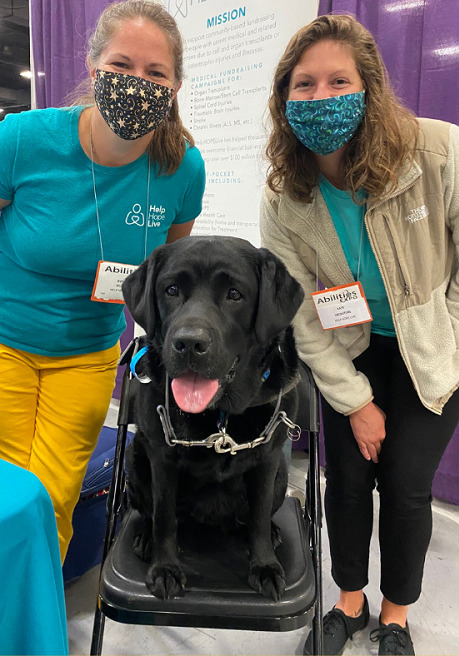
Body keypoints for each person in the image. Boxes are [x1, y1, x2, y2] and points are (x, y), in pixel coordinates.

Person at [258, 14, 459, 655]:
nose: (321, 96)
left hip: (437, 347)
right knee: (345, 476)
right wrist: (355, 400)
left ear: (370, 86)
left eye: (339, 80)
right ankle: (349, 599)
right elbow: (299, 309)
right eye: (304, 84)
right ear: (284, 98)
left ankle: (395, 614)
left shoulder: (443, 154)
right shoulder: (286, 196)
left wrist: (450, 336)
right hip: (350, 347)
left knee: (404, 482)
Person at [0, 0, 205, 562]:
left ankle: (29, 622)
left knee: (53, 499)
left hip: (87, 355)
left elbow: (170, 272)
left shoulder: (182, 168)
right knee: (6, 496)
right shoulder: (20, 139)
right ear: (93, 70)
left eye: (155, 73)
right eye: (122, 65)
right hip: (4, 345)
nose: (138, 82)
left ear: (175, 84)